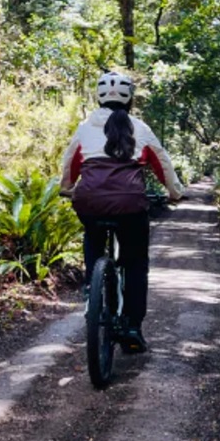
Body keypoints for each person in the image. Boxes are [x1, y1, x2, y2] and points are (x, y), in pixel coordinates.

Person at [60, 70, 184, 353]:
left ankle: (92, 287)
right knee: (136, 262)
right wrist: (175, 193)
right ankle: (131, 327)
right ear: (130, 99)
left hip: (89, 202)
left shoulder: (84, 127)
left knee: (93, 236)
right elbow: (162, 164)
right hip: (130, 206)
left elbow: (70, 164)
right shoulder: (141, 128)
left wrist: (67, 188)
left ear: (99, 96)